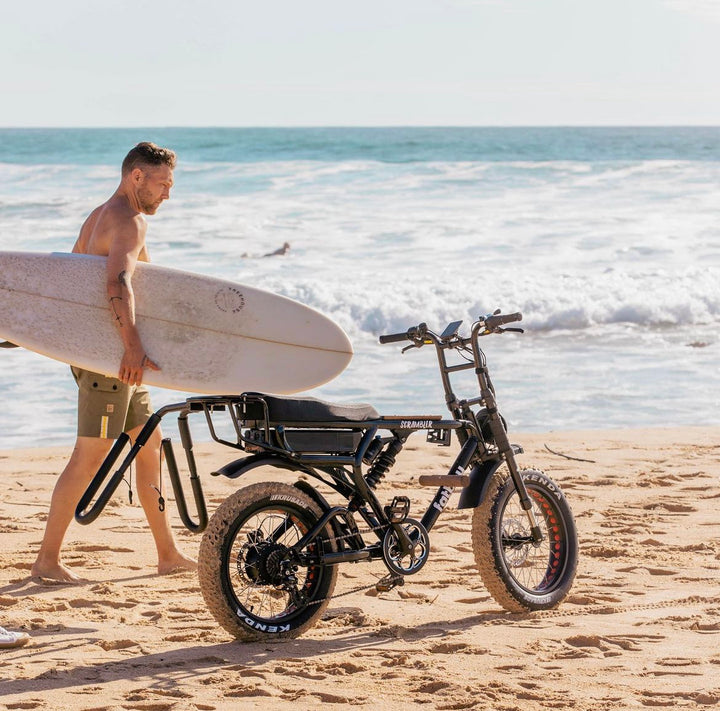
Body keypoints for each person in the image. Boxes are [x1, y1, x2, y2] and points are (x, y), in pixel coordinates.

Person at [31, 142, 196, 583]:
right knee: (90, 456)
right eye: (162, 184)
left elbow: (68, 283)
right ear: (137, 176)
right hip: (113, 361)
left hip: (110, 357)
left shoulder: (98, 214)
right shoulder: (129, 221)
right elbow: (118, 282)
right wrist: (132, 346)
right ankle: (46, 561)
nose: (167, 195)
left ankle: (167, 553)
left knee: (149, 445)